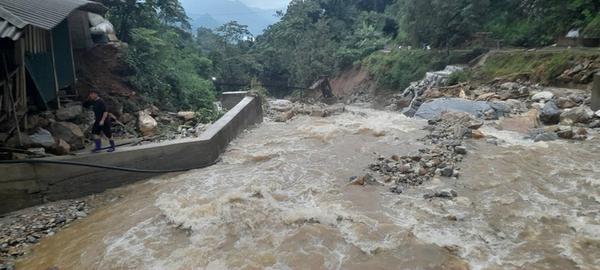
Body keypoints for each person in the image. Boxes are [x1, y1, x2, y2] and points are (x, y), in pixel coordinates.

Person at [83, 88, 115, 152]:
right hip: (97, 120)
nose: (90, 95)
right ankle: (98, 147)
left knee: (108, 134)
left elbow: (105, 112)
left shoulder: (101, 101)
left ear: (96, 95)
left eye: (92, 94)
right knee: (94, 133)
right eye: (90, 94)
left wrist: (102, 120)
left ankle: (112, 147)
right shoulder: (92, 101)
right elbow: (85, 105)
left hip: (104, 120)